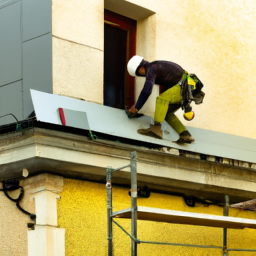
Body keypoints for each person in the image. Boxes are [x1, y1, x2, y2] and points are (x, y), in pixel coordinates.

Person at [125, 55, 205, 143]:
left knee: (161, 99)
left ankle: (156, 129)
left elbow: (146, 91)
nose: (143, 76)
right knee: (166, 112)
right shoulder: (157, 67)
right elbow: (169, 86)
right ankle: (185, 135)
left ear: (141, 69)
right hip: (186, 87)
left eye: (139, 74)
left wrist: (136, 108)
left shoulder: (151, 69)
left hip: (183, 86)